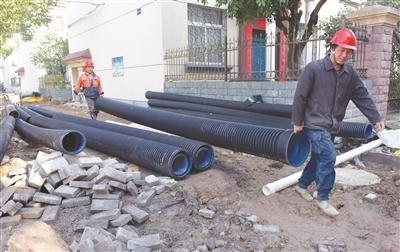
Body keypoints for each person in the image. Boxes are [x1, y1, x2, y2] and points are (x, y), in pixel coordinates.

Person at [291, 28, 385, 217]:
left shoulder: (349, 73)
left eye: (348, 51)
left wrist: (375, 118)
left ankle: (301, 186)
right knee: (328, 157)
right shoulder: (314, 68)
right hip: (314, 123)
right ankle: (323, 197)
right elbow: (300, 96)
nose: (344, 55)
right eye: (341, 50)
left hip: (332, 125)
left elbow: (362, 97)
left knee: (319, 158)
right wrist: (297, 121)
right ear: (333, 47)